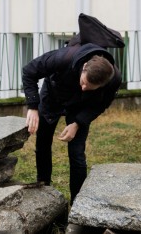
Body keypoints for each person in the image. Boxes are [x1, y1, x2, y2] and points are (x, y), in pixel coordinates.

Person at [22, 43, 121, 202]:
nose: (83, 87)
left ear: (102, 85)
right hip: (54, 94)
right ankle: (43, 191)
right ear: (84, 67)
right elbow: (29, 71)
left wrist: (78, 123)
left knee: (77, 154)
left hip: (81, 106)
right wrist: (33, 107)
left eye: (89, 87)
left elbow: (100, 105)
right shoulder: (64, 58)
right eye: (83, 82)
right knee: (43, 144)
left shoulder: (114, 79)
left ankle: (78, 205)